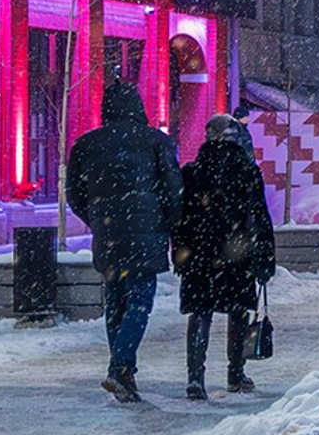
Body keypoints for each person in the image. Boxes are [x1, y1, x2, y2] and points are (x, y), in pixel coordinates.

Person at [64, 77, 182, 406]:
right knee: (139, 302)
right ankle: (120, 367)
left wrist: (98, 220)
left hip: (108, 236)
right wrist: (169, 225)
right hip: (146, 235)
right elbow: (175, 191)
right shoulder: (157, 142)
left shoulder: (86, 145)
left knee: (115, 303)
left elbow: (74, 194)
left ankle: (123, 371)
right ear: (138, 106)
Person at [173, 113, 277, 400]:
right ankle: (235, 372)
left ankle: (195, 378)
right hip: (237, 253)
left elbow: (181, 219)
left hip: (199, 254)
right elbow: (260, 217)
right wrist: (265, 257)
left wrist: (180, 253)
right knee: (238, 312)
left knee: (200, 313)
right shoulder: (247, 171)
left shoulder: (192, 173)